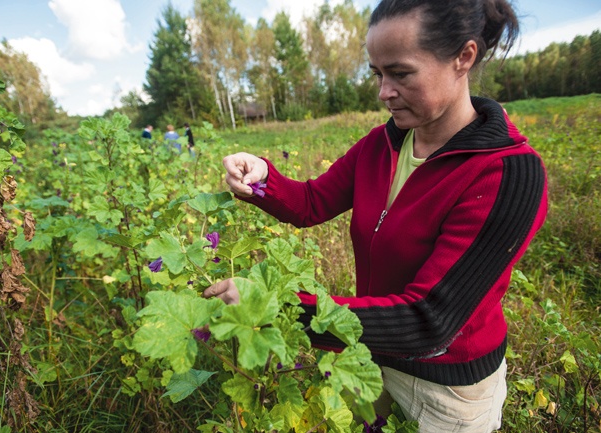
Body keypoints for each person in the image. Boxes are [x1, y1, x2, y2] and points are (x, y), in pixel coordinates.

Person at [204, 0, 548, 432]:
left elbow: (431, 320)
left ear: (464, 57)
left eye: (401, 73)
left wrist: (275, 309)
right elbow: (312, 202)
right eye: (377, 74)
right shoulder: (380, 145)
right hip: (367, 355)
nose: (383, 91)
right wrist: (262, 178)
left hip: (447, 393)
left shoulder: (507, 173)